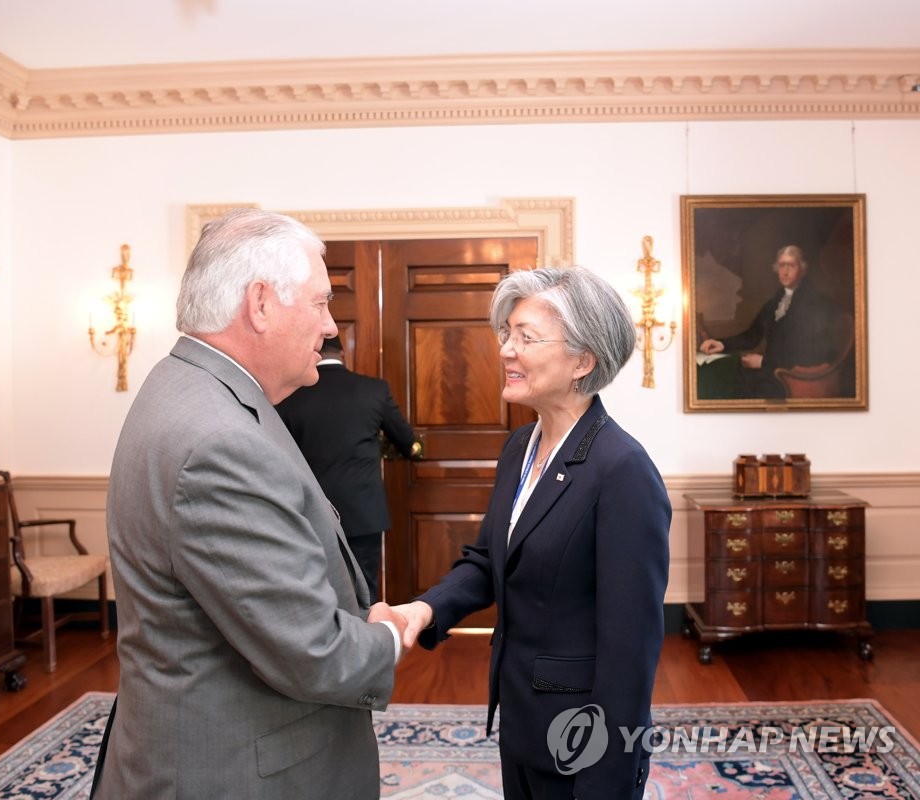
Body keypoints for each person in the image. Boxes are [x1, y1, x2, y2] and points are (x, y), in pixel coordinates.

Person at [92, 208, 408, 800]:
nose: (331, 327)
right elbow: (314, 653)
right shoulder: (220, 441)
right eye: (320, 303)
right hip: (231, 771)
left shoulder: (192, 385)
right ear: (261, 304)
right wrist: (389, 633)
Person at [394, 266, 671, 800]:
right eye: (507, 334)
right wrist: (423, 610)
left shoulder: (623, 471)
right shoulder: (519, 447)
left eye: (526, 337)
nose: (505, 350)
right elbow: (488, 560)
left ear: (582, 361)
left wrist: (605, 777)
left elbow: (630, 653)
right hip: (522, 721)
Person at [276, 334, 420, 604]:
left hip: (310, 511)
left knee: (317, 592)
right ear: (343, 354)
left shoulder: (290, 393)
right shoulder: (374, 390)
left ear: (314, 352)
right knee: (364, 592)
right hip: (364, 511)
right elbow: (408, 442)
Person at [698, 245, 839, 398]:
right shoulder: (776, 302)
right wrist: (722, 344)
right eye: (782, 265)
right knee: (722, 375)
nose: (785, 271)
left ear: (803, 270)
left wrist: (764, 362)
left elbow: (812, 353)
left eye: (791, 265)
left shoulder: (817, 303)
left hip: (792, 379)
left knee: (733, 383)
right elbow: (752, 335)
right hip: (771, 372)